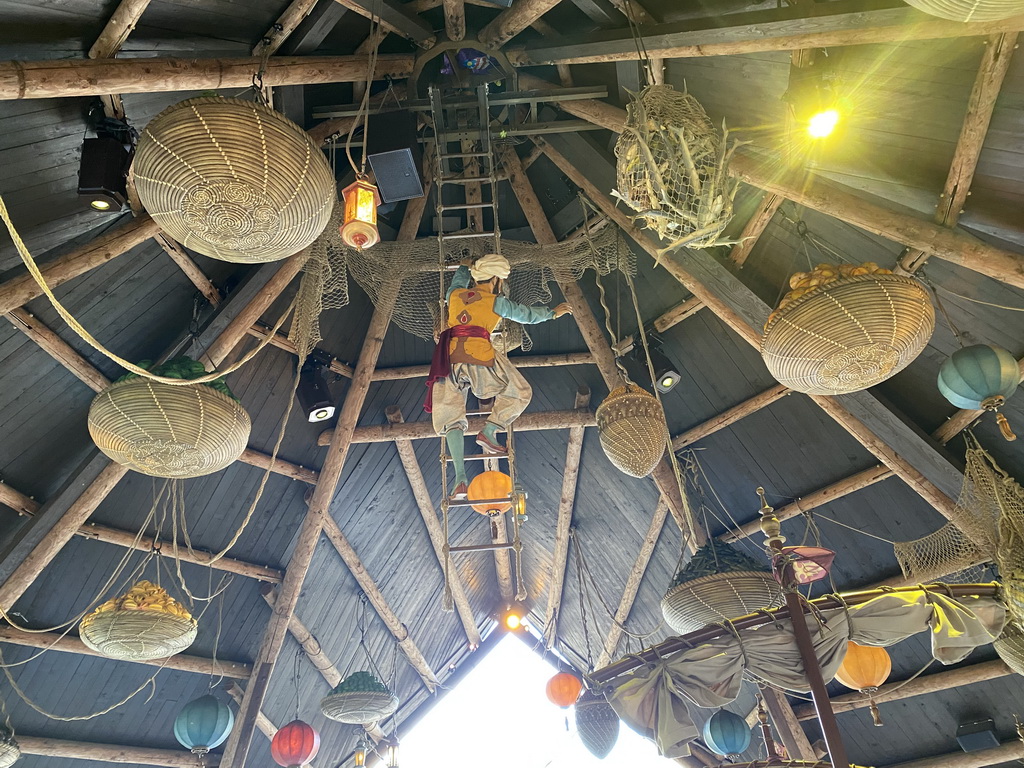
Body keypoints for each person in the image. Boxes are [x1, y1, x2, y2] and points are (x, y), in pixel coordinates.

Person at [424, 253, 573, 500]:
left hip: (447, 359)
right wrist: (552, 313)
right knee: (520, 391)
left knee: (449, 416)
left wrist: (463, 266)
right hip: (479, 355)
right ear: (495, 279)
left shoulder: (455, 296)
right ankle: (491, 430)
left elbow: (457, 283)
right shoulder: (495, 301)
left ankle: (460, 476)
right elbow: (525, 315)